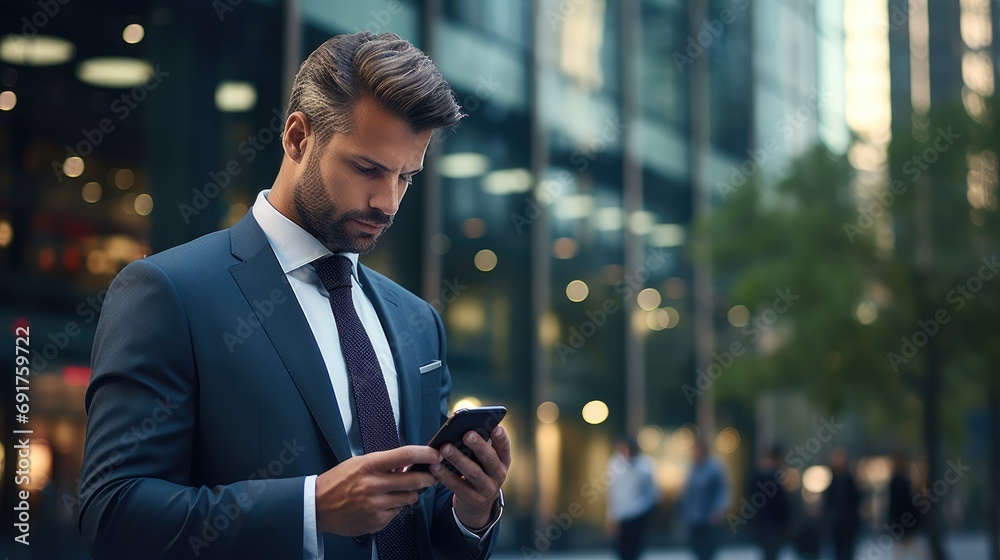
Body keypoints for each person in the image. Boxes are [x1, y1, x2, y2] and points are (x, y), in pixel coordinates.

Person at [78, 32, 510, 560]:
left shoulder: (418, 321)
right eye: (367, 168)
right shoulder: (170, 292)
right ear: (298, 137)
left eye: (406, 177)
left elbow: (422, 528)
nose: (387, 202)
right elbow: (112, 513)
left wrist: (472, 510)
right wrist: (311, 508)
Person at [606, 435, 659, 560]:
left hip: (639, 513)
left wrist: (650, 510)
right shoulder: (614, 464)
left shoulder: (646, 465)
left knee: (635, 548)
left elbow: (652, 491)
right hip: (621, 514)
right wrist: (611, 516)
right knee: (621, 549)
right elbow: (612, 492)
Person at [681, 437, 731, 560]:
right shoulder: (692, 468)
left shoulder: (715, 468)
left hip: (709, 518)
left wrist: (718, 509)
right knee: (696, 549)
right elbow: (688, 493)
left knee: (707, 551)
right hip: (693, 518)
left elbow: (723, 490)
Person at [747, 445, 791, 560]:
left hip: (764, 522)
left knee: (769, 553)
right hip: (772, 524)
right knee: (771, 553)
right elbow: (781, 501)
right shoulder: (773, 475)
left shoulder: (760, 473)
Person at [886, 453, 925, 560]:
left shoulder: (896, 482)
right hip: (908, 522)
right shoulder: (906, 482)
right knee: (914, 550)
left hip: (901, 523)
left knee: (902, 553)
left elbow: (893, 505)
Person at [824, 448, 861, 560]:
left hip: (848, 523)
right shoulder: (832, 479)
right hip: (836, 524)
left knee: (848, 551)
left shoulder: (849, 479)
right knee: (837, 552)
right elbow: (828, 502)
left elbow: (856, 500)